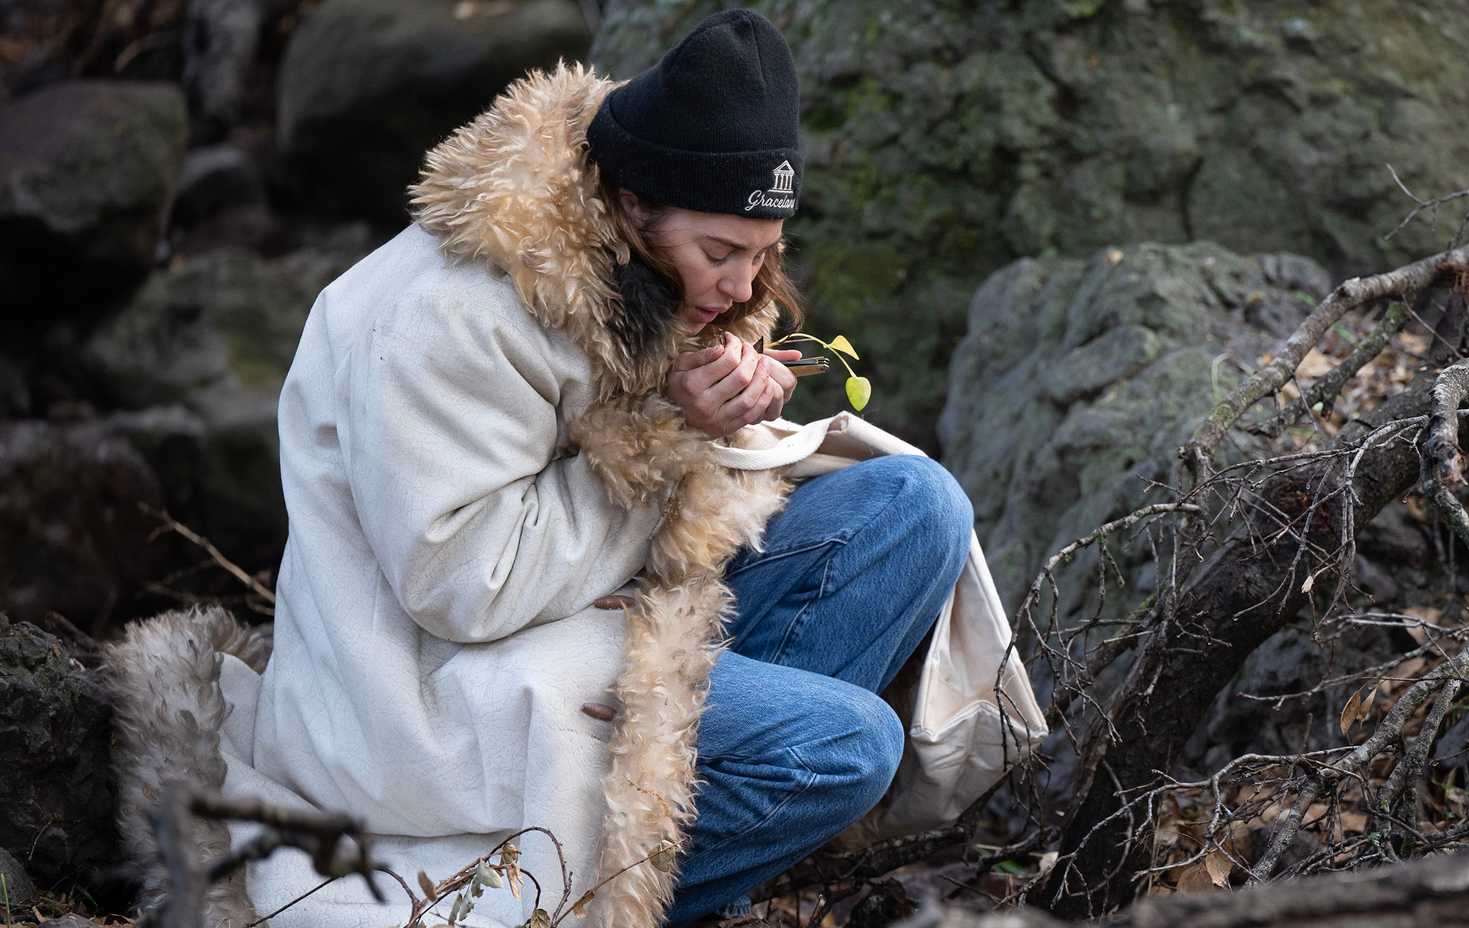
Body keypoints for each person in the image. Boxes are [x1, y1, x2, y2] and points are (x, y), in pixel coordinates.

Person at [110, 9, 976, 928]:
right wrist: (670, 427)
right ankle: (595, 893)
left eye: (763, 256)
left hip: (574, 612)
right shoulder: (451, 317)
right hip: (430, 685)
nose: (742, 290)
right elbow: (461, 587)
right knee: (844, 747)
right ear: (633, 209)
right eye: (720, 255)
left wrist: (715, 417)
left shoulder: (643, 283)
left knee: (919, 507)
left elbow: (659, 501)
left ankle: (684, 809)